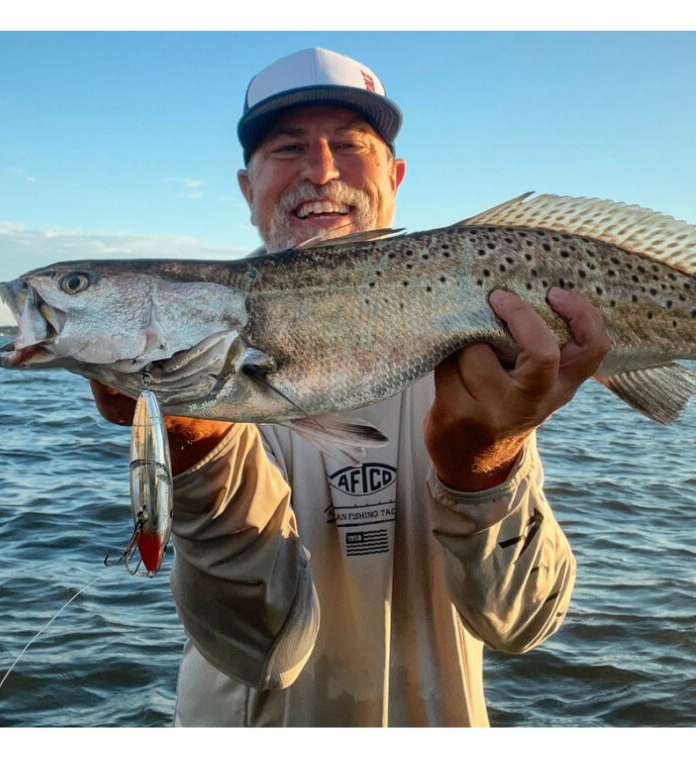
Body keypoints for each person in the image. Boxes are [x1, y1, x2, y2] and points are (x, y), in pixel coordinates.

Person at [92, 47, 610, 726]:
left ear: (395, 177)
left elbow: (522, 623)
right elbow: (263, 651)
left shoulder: (479, 356)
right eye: (288, 147)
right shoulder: (205, 348)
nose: (321, 170)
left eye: (349, 144)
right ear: (247, 189)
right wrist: (194, 441)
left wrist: (486, 466)